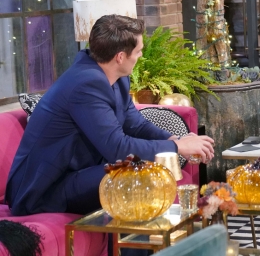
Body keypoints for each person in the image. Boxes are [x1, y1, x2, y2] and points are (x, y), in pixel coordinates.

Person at [7, 15, 215, 217]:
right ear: (120, 57)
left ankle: (155, 239)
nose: (141, 55)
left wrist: (175, 139)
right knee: (135, 176)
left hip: (78, 172)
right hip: (44, 189)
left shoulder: (116, 76)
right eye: (138, 51)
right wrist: (177, 147)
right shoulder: (85, 85)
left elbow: (135, 124)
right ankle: (141, 242)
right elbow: (118, 148)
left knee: (142, 171)